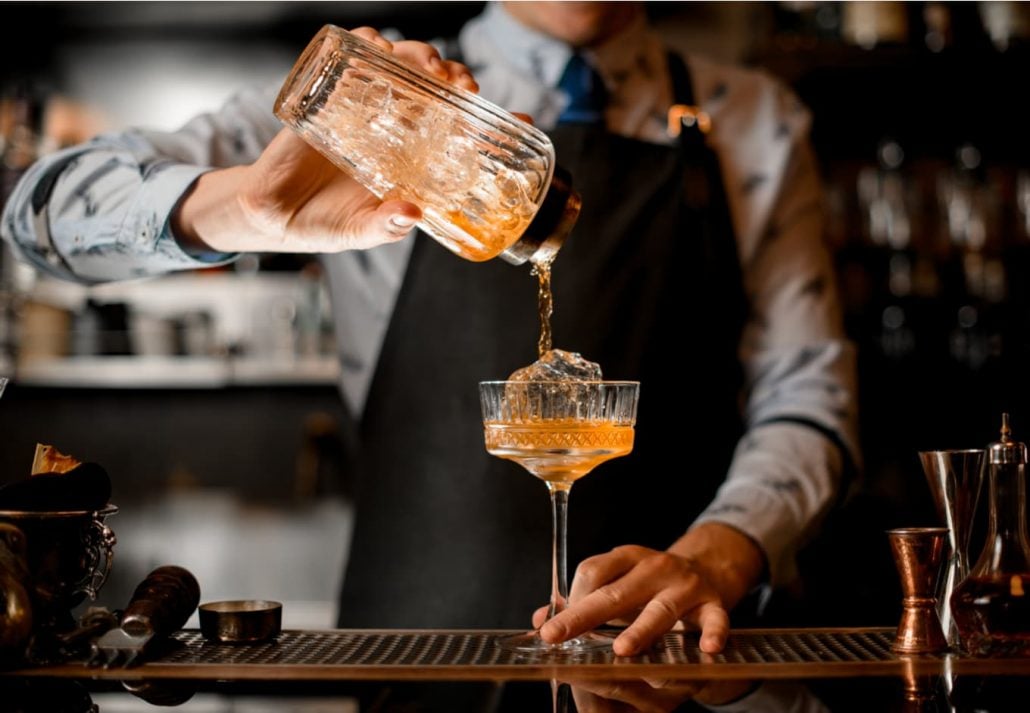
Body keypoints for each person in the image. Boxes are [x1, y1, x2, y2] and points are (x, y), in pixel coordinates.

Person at [1, 2, 858, 657]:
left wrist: (723, 552)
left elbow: (810, 401)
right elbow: (36, 214)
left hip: (670, 659)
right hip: (416, 654)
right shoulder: (371, 99)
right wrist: (245, 208)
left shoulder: (754, 121)